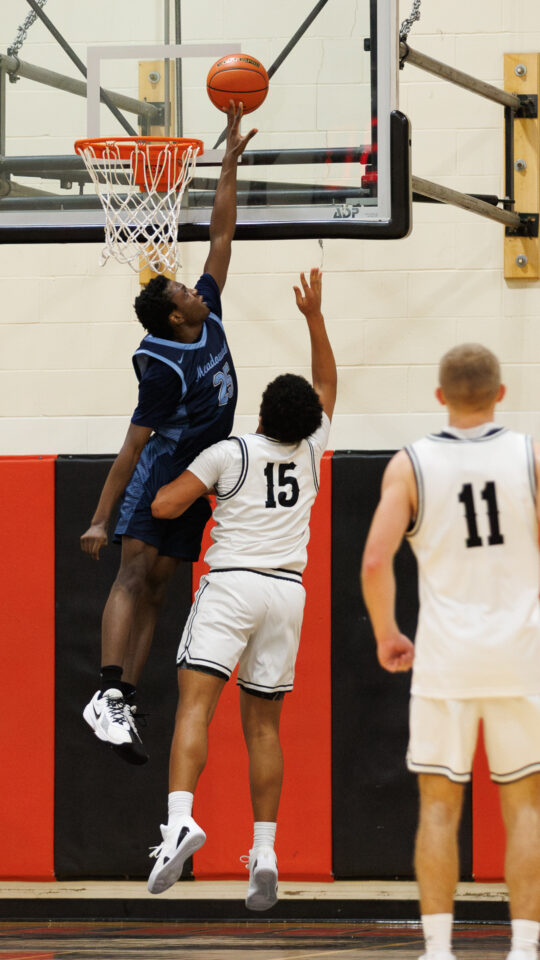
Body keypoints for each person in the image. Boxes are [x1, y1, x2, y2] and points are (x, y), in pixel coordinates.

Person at [145, 268, 336, 910]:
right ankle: (265, 851)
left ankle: (180, 823)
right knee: (263, 730)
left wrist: (178, 475)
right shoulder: (312, 451)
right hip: (287, 594)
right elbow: (328, 385)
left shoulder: (229, 453)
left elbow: (167, 506)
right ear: (308, 420)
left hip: (232, 586)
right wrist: (315, 318)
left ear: (260, 412)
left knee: (195, 709)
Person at [80, 103, 257, 766]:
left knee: (159, 585)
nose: (195, 288)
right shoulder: (161, 366)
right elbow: (132, 447)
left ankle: (123, 698)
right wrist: (101, 519)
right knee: (132, 573)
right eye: (184, 290)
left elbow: (221, 236)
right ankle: (104, 691)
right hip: (162, 471)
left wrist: (228, 162)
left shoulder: (208, 315)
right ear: (175, 316)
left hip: (197, 477)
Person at [361, 343, 540, 960]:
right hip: (521, 656)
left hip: (445, 659)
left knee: (438, 809)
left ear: (440, 396)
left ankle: (438, 951)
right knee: (525, 808)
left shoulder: (410, 465)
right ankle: (524, 949)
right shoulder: (530, 458)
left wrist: (387, 633)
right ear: (501, 394)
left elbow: (375, 560)